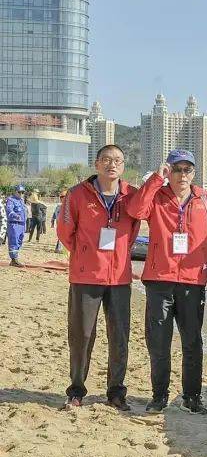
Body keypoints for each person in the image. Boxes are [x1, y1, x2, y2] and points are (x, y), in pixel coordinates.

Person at [125, 149, 207, 414]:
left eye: (187, 170)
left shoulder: (206, 200)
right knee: (158, 341)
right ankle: (159, 396)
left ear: (194, 172)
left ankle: (192, 397)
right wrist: (155, 180)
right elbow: (135, 211)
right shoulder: (156, 195)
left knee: (192, 342)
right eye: (177, 169)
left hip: (193, 282)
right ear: (168, 170)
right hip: (159, 280)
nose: (182, 174)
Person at [56, 145, 140, 410]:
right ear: (96, 164)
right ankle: (76, 390)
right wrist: (85, 255)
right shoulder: (77, 194)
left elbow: (135, 229)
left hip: (119, 279)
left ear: (123, 166)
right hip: (85, 276)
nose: (111, 165)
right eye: (106, 160)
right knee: (81, 334)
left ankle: (116, 392)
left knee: (120, 336)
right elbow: (65, 232)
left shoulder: (131, 195)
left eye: (117, 160)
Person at [5, 185, 28, 266]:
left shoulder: (22, 200)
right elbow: (9, 211)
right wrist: (15, 215)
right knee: (13, 241)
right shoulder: (11, 200)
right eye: (19, 192)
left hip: (22, 224)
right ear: (15, 192)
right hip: (14, 224)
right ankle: (14, 259)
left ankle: (15, 258)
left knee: (19, 241)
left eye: (23, 192)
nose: (21, 194)